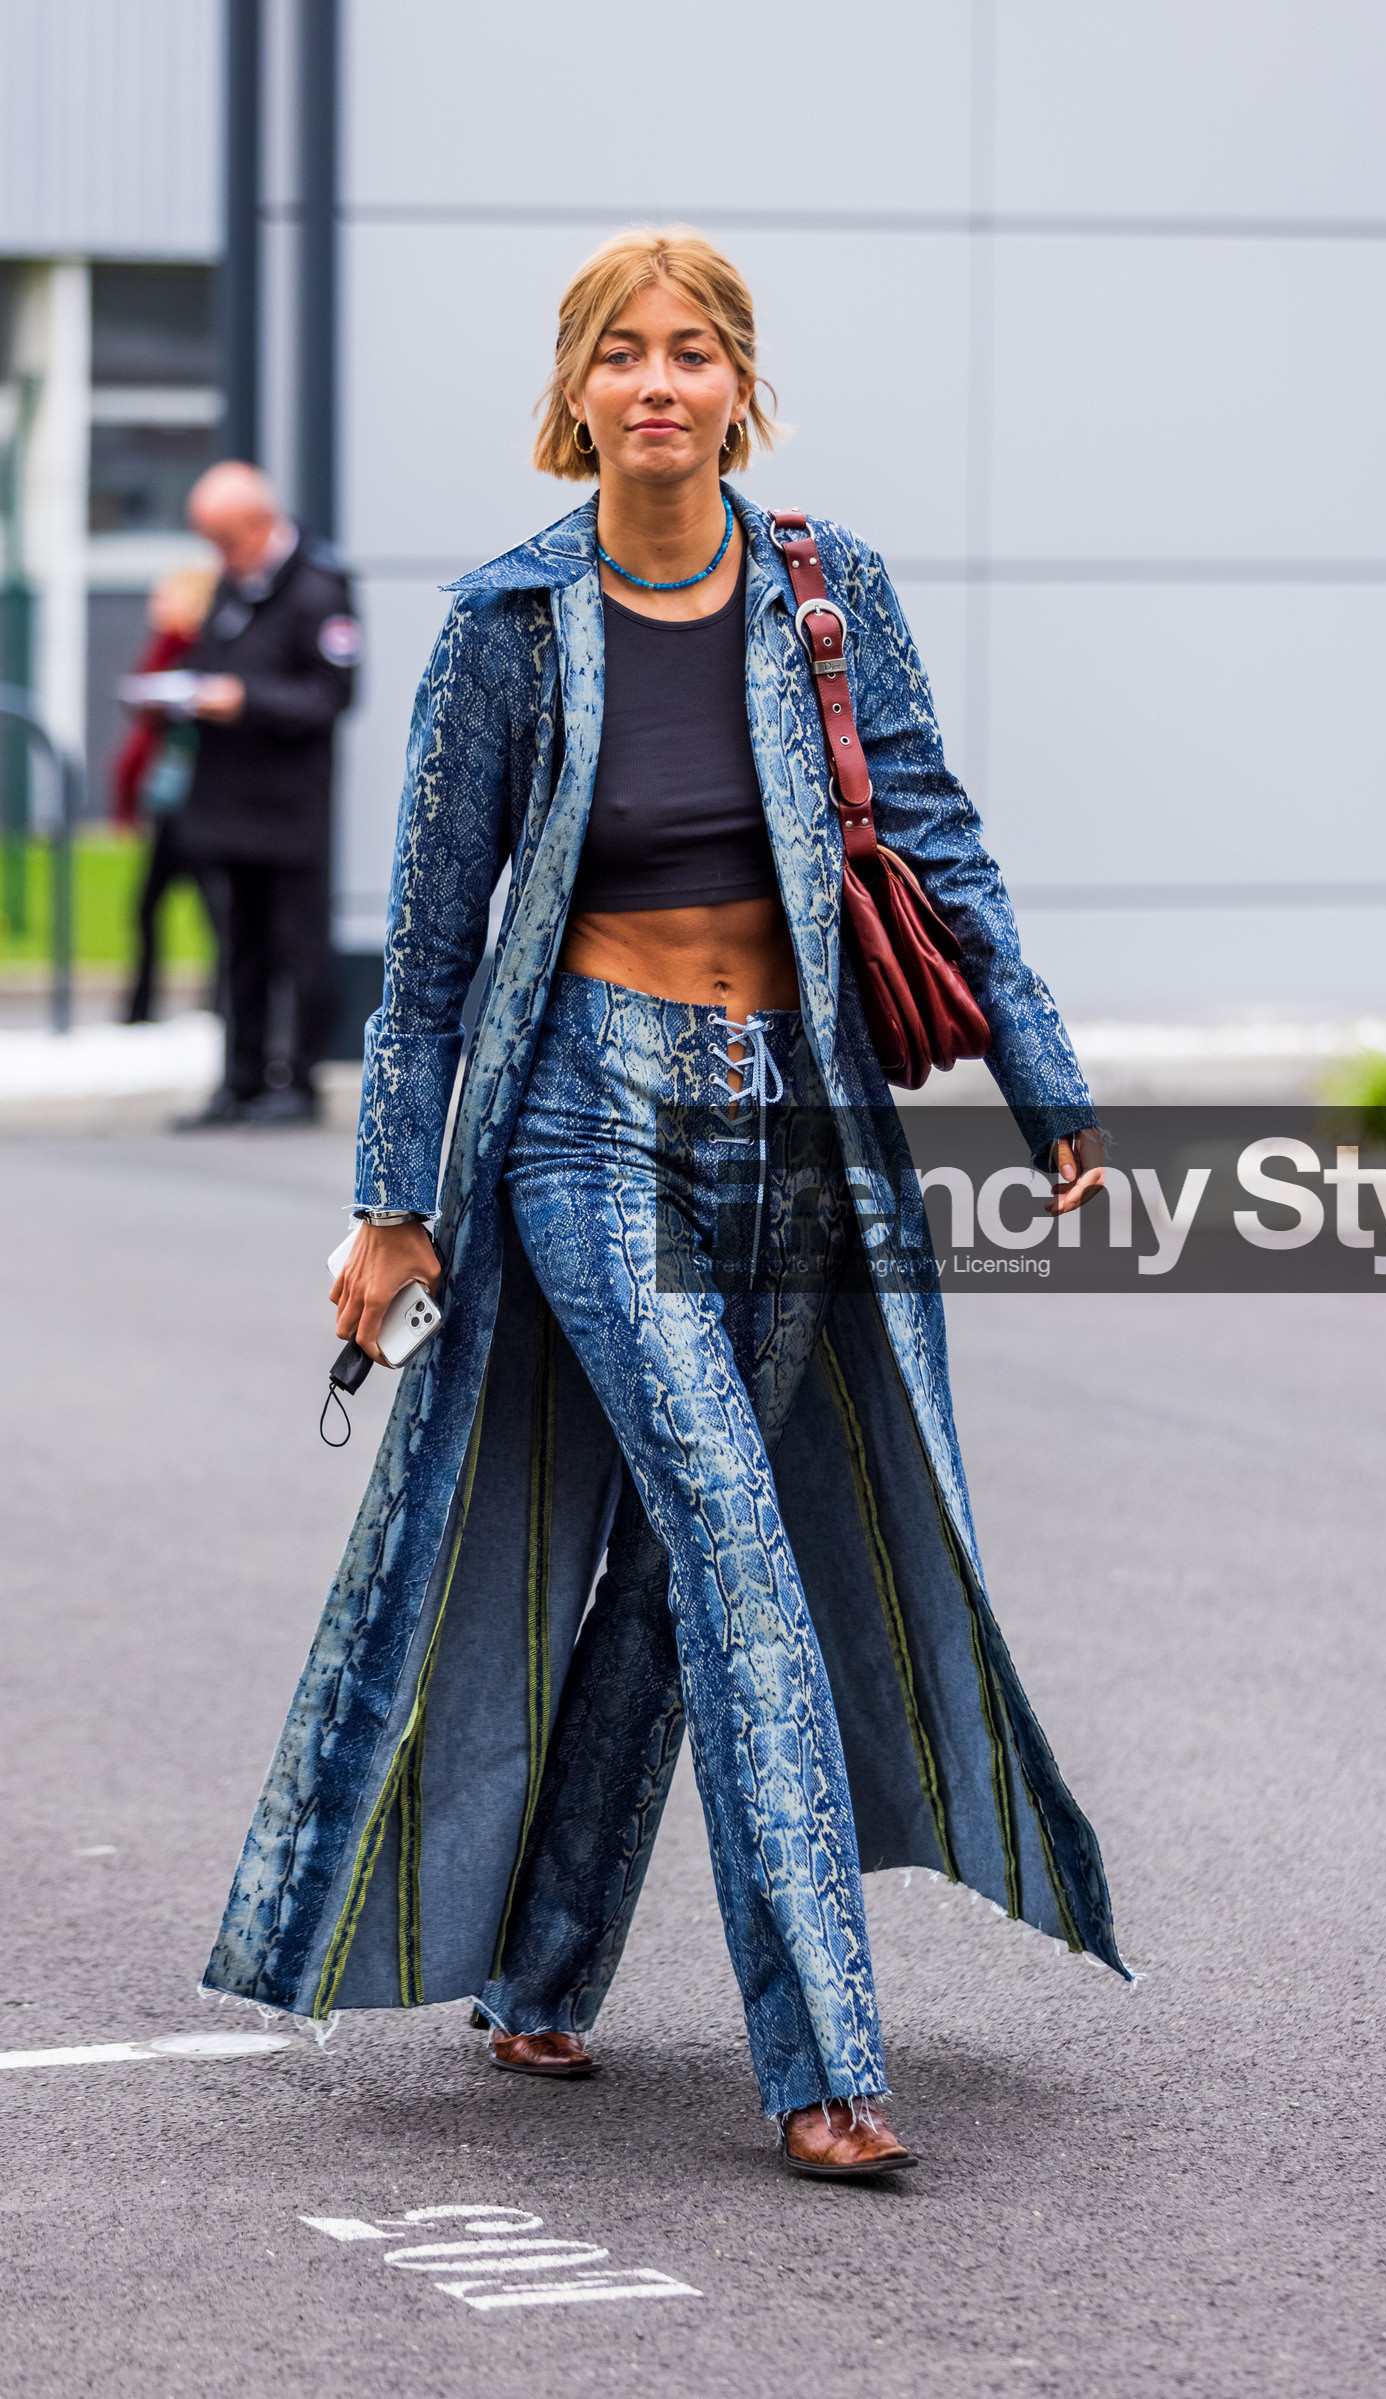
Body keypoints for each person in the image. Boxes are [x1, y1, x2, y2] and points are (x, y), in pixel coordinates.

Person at [204, 228, 1126, 2178]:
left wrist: (1043, 1072)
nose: (655, 383)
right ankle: (825, 2058)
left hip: (789, 1120)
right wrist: (392, 1202)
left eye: (689, 351)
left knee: (662, 1564)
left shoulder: (825, 591)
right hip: (581, 1118)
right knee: (731, 1525)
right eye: (618, 353)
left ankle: (543, 1968)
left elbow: (937, 830)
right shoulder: (504, 626)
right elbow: (434, 956)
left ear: (735, 386)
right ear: (573, 392)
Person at [173, 462, 360, 1128]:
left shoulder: (318, 587)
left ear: (257, 524)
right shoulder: (230, 584)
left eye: (224, 539)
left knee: (296, 946)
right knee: (238, 948)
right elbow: (206, 663)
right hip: (226, 801)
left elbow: (331, 695)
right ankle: (241, 1079)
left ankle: (297, 1081)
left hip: (289, 807)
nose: (219, 555)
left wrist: (247, 700)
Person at [111, 565, 222, 1024]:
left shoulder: (202, 648)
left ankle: (220, 1000)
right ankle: (142, 1004)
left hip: (200, 802)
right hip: (168, 802)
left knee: (213, 907)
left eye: (165, 598)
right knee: (149, 905)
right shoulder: (167, 647)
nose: (156, 608)